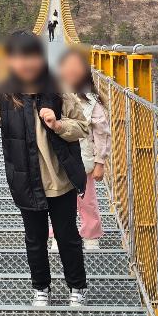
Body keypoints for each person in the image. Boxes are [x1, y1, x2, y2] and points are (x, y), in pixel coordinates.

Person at [0, 31, 90, 306]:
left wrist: (58, 125)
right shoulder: (3, 96)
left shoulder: (59, 90)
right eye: (17, 57)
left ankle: (77, 286)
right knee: (35, 239)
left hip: (61, 181)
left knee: (68, 238)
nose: (25, 63)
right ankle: (41, 287)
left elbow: (82, 128)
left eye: (31, 55)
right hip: (26, 180)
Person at [55, 49, 108, 249]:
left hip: (83, 161)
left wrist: (100, 162)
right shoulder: (53, 95)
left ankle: (90, 235)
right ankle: (57, 235)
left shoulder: (91, 101)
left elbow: (102, 133)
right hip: (58, 160)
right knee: (57, 200)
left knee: (86, 201)